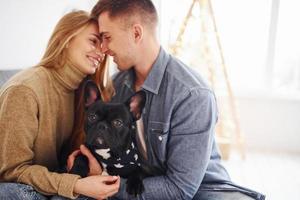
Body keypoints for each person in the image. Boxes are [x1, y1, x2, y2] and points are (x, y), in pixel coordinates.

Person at [77, 0, 265, 199]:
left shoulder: (192, 95)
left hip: (202, 189)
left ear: (136, 33)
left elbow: (180, 190)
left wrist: (108, 183)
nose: (103, 48)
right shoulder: (117, 86)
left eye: (107, 37)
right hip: (139, 181)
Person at [0, 10, 120, 200]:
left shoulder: (83, 94)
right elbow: (12, 172)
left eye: (103, 46)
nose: (101, 52)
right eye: (93, 41)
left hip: (51, 183)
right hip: (16, 189)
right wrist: (76, 185)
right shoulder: (24, 90)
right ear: (66, 39)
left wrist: (91, 171)